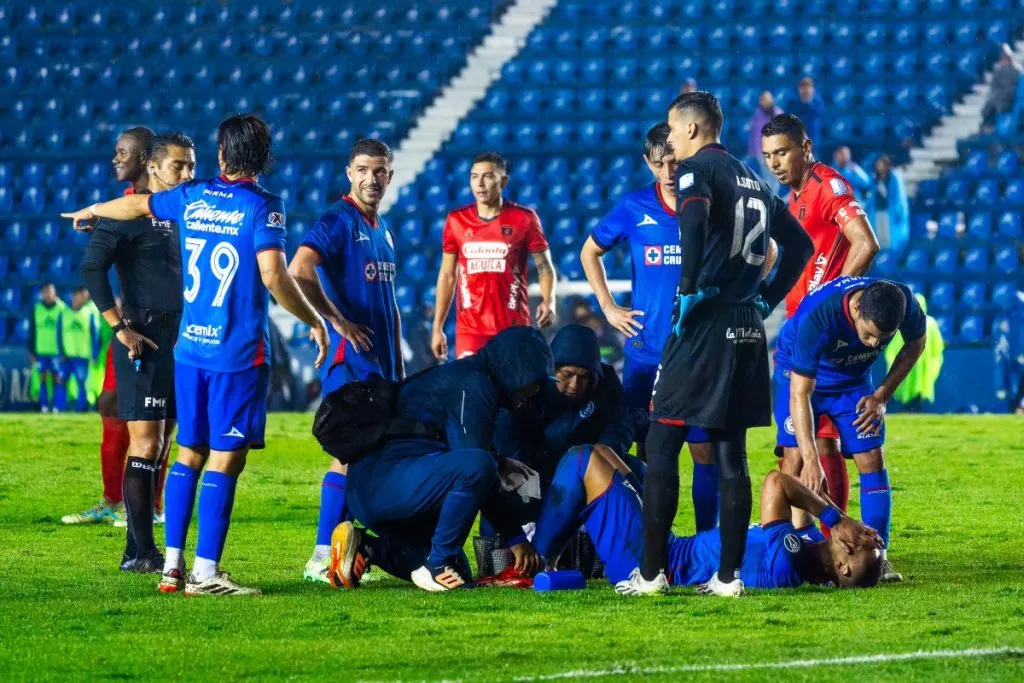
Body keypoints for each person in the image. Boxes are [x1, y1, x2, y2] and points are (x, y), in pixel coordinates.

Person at [62, 114, 330, 596]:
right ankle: (205, 573)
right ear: (263, 157)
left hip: (189, 349)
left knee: (188, 452)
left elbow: (138, 205)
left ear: (223, 155)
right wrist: (313, 319)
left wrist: (94, 208)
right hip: (236, 354)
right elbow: (273, 275)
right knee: (226, 460)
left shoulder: (193, 196)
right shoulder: (264, 206)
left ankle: (171, 568)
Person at [625, 91, 814, 598]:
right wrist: (765, 299)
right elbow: (801, 245)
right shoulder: (753, 176)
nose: (669, 140)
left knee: (662, 443)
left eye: (671, 129)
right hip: (746, 329)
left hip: (703, 323)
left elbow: (693, 218)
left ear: (690, 129)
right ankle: (728, 578)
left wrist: (687, 290)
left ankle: (650, 575)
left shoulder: (696, 170)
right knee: (731, 452)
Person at [327, 327, 553, 592]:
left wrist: (499, 463)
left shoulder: (468, 377)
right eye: (533, 380)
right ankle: (437, 565)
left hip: (384, 486)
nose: (534, 391)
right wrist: (516, 539)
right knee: (478, 467)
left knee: (460, 572)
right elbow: (477, 469)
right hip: (385, 484)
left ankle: (368, 548)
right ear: (516, 369)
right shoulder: (474, 385)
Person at [579, 123, 717, 532]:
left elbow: (770, 248)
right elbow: (590, 251)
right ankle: (657, 540)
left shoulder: (708, 204)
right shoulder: (634, 207)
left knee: (704, 448)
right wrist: (608, 307)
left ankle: (708, 541)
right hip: (646, 354)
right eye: (660, 164)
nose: (669, 171)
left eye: (675, 161)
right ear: (648, 163)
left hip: (696, 353)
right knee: (653, 452)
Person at [79, 132, 196, 573]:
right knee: (145, 444)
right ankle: (139, 551)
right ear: (153, 167)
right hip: (144, 336)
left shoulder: (183, 211)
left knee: (163, 444)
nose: (186, 174)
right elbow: (92, 268)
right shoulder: (125, 214)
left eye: (190, 166)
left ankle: (139, 547)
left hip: (181, 338)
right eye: (177, 166)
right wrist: (119, 327)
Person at [287, 139, 403, 584]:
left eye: (379, 171)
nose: (371, 178)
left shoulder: (383, 228)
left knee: (369, 458)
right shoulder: (338, 219)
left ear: (390, 176)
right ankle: (320, 555)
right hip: (350, 363)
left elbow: (387, 304)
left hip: (381, 365)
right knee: (346, 456)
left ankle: (345, 554)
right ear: (348, 173)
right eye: (362, 170)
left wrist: (397, 367)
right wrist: (336, 321)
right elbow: (299, 268)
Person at [531, 446, 884, 591]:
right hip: (665, 547)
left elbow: (776, 484)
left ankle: (534, 559)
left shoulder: (790, 559)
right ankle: (565, 553)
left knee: (584, 459)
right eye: (871, 535)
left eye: (866, 545)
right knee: (618, 456)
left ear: (845, 569)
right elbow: (794, 485)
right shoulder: (806, 548)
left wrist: (835, 517)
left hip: (653, 565)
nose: (866, 535)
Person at [762, 113, 880, 524]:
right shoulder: (792, 198)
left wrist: (831, 303)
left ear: (806, 148)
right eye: (768, 156)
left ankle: (833, 539)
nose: (774, 163)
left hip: (819, 336)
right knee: (800, 445)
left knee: (819, 445)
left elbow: (866, 243)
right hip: (797, 331)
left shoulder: (827, 186)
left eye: (782, 152)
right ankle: (805, 538)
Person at [773, 277, 928, 583]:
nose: (874, 344)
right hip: (800, 376)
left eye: (883, 339)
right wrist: (811, 456)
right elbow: (800, 393)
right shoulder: (820, 316)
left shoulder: (905, 303)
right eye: (869, 334)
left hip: (853, 382)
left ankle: (878, 554)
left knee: (872, 459)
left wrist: (881, 395)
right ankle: (798, 546)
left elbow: (916, 345)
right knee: (795, 461)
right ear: (856, 309)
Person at [62, 126, 153, 525]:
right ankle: (112, 500)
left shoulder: (164, 207)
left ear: (147, 158)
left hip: (163, 323)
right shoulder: (123, 205)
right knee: (110, 403)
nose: (115, 159)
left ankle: (152, 505)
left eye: (123, 152)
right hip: (128, 320)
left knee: (156, 417)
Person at [431, 152, 557, 360]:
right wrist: (438, 327)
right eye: (474, 176)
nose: (479, 183)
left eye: (488, 176)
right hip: (470, 331)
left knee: (512, 391)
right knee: (473, 390)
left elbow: (544, 266)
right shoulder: (456, 220)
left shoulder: (524, 218)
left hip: (513, 328)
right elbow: (447, 275)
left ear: (503, 181)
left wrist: (549, 300)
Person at [885, 293, 944, 412]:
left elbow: (893, 347)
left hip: (910, 363)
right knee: (917, 395)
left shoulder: (905, 322)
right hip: (922, 366)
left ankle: (909, 409)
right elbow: (937, 348)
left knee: (908, 392)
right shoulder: (931, 323)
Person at [59, 287, 101, 412]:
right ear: (74, 296)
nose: (84, 298)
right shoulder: (64, 313)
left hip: (82, 356)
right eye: (81, 296)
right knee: (61, 381)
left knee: (81, 382)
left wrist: (94, 354)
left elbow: (95, 336)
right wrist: (61, 352)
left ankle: (81, 409)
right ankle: (59, 409)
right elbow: (59, 335)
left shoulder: (89, 313)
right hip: (66, 356)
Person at [29, 283, 66, 413]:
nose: (49, 294)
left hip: (57, 351)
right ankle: (44, 406)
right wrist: (31, 351)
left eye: (50, 291)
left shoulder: (62, 308)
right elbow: (32, 331)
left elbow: (65, 332)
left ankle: (57, 407)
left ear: (54, 292)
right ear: (43, 293)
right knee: (42, 378)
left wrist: (64, 351)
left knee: (58, 379)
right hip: (41, 351)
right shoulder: (37, 308)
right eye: (46, 292)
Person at [864, 154, 910, 258]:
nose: (880, 166)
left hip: (890, 212)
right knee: (880, 239)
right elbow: (870, 195)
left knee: (891, 240)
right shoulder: (875, 178)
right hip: (877, 212)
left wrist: (899, 211)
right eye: (878, 164)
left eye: (882, 164)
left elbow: (899, 195)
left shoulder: (894, 177)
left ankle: (892, 259)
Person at [747, 91, 783, 193]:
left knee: (775, 177)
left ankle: (773, 199)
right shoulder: (758, 114)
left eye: (767, 99)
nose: (765, 102)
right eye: (762, 100)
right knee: (767, 177)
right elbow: (754, 133)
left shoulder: (778, 113)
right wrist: (752, 149)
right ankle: (770, 200)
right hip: (761, 151)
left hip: (776, 152)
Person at [982, 45, 1021, 128]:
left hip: (1007, 98)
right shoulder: (999, 71)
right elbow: (994, 87)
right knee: (989, 106)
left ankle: (989, 125)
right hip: (1000, 97)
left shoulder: (1015, 72)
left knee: (993, 105)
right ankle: (988, 125)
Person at [786, 77, 825, 147]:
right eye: (803, 87)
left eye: (808, 87)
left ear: (812, 89)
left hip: (813, 138)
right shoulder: (793, 102)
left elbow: (819, 114)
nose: (805, 90)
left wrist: (808, 102)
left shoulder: (817, 102)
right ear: (799, 89)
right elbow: (790, 116)